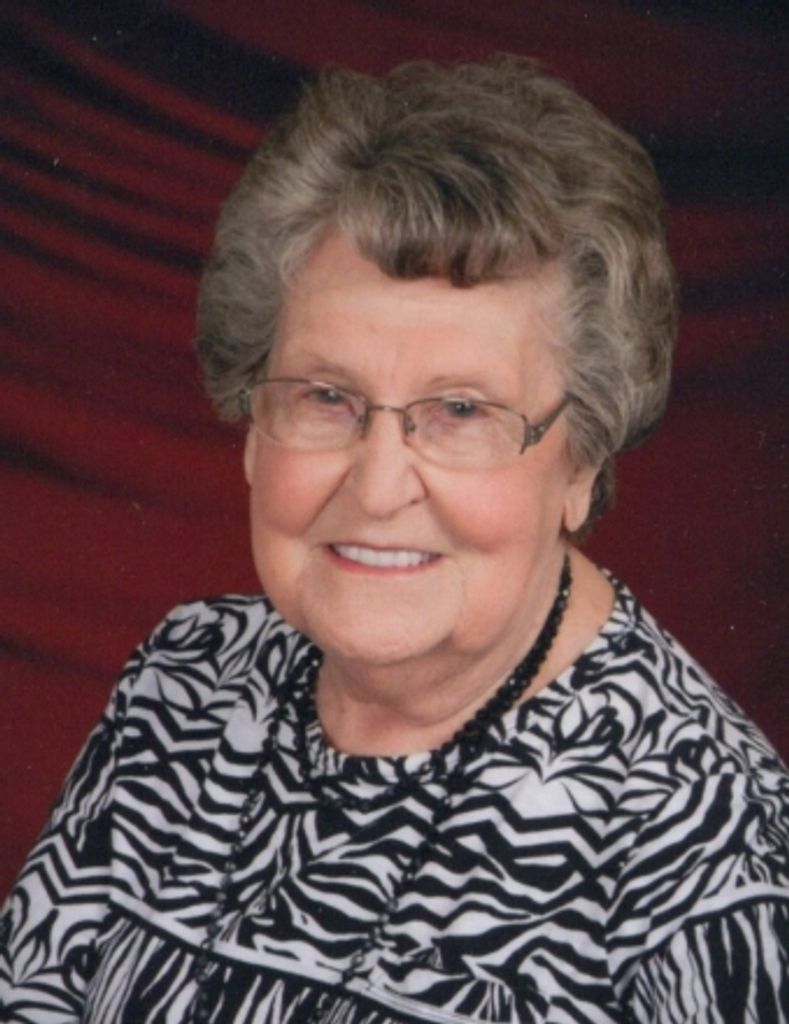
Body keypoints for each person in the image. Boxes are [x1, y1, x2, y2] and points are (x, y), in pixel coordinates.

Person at [1, 55, 786, 1024]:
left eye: (460, 410)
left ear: (581, 458)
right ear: (251, 423)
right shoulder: (184, 685)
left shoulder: (705, 853)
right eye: (326, 396)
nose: (377, 487)